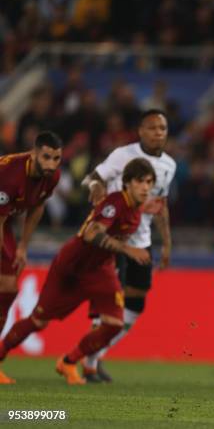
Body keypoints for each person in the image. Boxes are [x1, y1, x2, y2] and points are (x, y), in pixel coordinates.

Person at [0, 158, 155, 385]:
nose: (145, 187)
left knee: (114, 323)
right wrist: (126, 249)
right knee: (38, 321)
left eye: (149, 182)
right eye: (140, 181)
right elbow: (92, 234)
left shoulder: (136, 210)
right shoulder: (115, 204)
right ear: (127, 183)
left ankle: (69, 361)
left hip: (100, 270)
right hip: (72, 266)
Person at [80, 109, 176, 382]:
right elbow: (92, 177)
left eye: (163, 128)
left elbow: (161, 205)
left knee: (136, 302)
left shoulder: (169, 164)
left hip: (142, 240)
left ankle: (95, 356)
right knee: (109, 302)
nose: (158, 132)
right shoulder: (123, 155)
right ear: (141, 131)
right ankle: (87, 362)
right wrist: (95, 188)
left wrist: (166, 243)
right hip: (113, 239)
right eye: (153, 127)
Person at [0, 131, 63, 336]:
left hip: (4, 221)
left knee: (9, 290)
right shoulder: (9, 175)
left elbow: (37, 206)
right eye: (46, 157)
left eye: (56, 159)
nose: (51, 164)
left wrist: (23, 247)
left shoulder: (52, 176)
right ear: (33, 154)